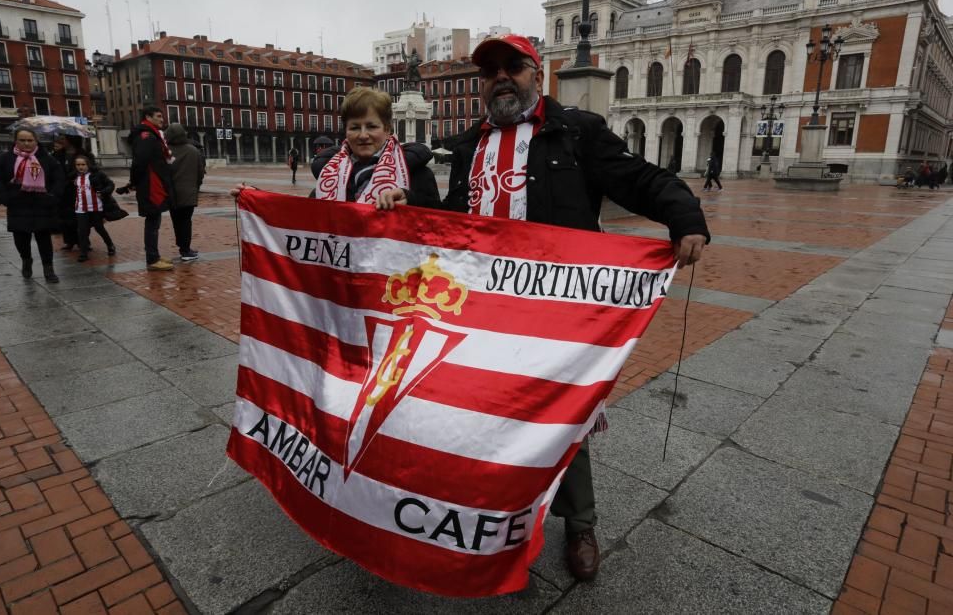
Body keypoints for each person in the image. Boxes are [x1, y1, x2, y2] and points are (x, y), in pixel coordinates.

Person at [379, 34, 709, 582]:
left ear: (537, 73)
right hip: (481, 310)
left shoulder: (575, 131)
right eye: (489, 72)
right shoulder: (467, 145)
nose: (500, 78)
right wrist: (405, 202)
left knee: (561, 415)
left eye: (513, 67)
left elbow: (637, 178)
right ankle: (492, 514)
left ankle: (580, 524)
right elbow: (447, 221)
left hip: (557, 314)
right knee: (486, 414)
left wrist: (685, 215)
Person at [232, 87, 439, 209]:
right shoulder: (328, 177)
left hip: (391, 281)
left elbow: (439, 225)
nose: (363, 135)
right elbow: (303, 222)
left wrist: (409, 199)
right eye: (355, 127)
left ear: (387, 129)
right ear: (345, 131)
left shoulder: (417, 174)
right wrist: (257, 199)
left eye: (372, 126)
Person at [0, 127, 65, 283]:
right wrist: (4, 197)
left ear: (36, 141)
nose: (26, 143)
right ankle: (26, 259)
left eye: (30, 140)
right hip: (17, 204)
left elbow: (59, 179)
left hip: (41, 204)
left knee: (44, 239)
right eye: (22, 140)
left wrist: (53, 196)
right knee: (21, 238)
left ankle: (48, 268)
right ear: (16, 141)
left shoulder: (46, 158)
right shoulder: (5, 159)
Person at [123, 106, 175, 271]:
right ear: (148, 117)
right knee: (152, 222)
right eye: (159, 116)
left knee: (154, 221)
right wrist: (134, 182)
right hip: (151, 185)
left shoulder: (150, 134)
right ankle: (152, 259)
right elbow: (140, 162)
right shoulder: (146, 136)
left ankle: (154, 256)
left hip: (152, 183)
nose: (162, 119)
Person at [166, 123, 206, 262]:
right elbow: (200, 172)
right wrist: (196, 186)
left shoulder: (166, 151)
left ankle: (181, 245)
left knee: (176, 220)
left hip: (171, 193)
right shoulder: (193, 150)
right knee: (186, 221)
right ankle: (185, 250)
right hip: (189, 192)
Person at [72, 155, 116, 262]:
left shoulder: (97, 175)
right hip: (81, 208)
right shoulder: (74, 177)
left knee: (99, 228)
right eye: (78, 165)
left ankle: (110, 245)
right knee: (82, 230)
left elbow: (110, 184)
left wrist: (103, 192)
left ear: (88, 165)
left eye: (83, 164)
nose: (80, 167)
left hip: (96, 207)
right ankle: (83, 252)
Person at [53, 134, 86, 251]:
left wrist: (72, 177)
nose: (62, 141)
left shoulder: (83, 154)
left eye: (64, 139)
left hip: (78, 190)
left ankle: (83, 241)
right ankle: (69, 241)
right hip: (63, 191)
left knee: (81, 218)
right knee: (65, 217)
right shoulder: (57, 154)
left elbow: (90, 168)